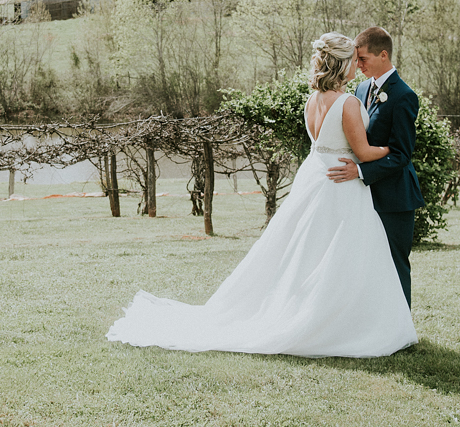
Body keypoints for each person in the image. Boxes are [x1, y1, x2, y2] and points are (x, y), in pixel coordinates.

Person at [106, 32, 417, 357]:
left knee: (306, 255)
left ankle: (333, 315)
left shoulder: (312, 100)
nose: (358, 64)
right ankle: (335, 322)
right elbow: (364, 152)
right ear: (342, 63)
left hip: (315, 179)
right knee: (342, 255)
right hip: (340, 184)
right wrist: (389, 150)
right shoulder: (349, 101)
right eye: (354, 59)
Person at [327, 26, 425, 308]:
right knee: (366, 263)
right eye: (356, 59)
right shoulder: (359, 89)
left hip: (395, 196)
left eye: (363, 59)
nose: (358, 65)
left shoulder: (404, 95)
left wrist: (359, 172)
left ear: (384, 55)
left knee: (395, 263)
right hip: (362, 196)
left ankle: (402, 325)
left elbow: (402, 154)